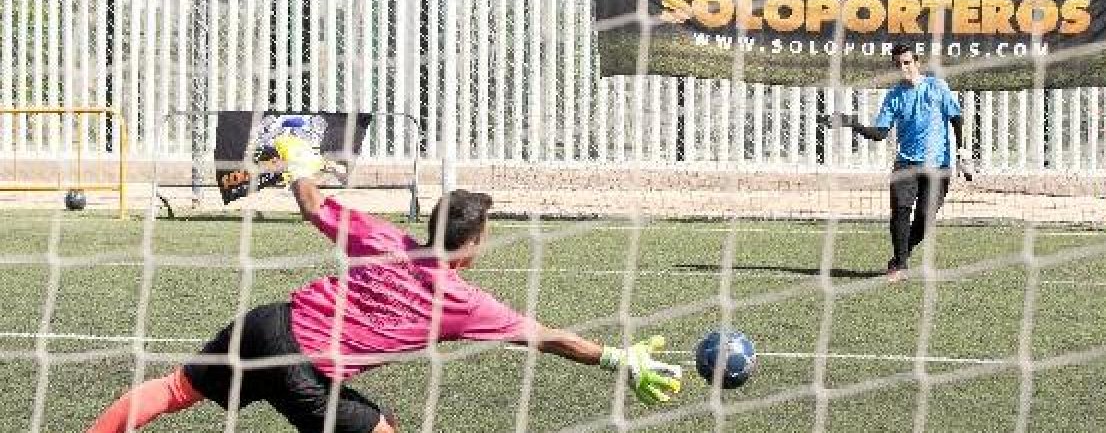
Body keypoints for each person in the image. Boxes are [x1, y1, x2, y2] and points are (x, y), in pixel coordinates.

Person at [89, 136, 682, 433]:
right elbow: (546, 338)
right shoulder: (463, 304)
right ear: (472, 246)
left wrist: (296, 162)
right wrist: (617, 359)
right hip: (301, 365)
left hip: (265, 322)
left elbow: (314, 202)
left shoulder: (384, 238)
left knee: (172, 390)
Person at [817, 44, 971, 282]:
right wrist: (850, 122)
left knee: (925, 218)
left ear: (917, 62)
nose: (903, 68)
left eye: (907, 62)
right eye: (898, 64)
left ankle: (902, 253)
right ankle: (900, 265)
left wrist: (962, 151)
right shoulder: (894, 95)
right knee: (900, 210)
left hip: (938, 165)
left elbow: (956, 118)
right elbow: (879, 134)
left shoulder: (937, 86)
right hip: (906, 164)